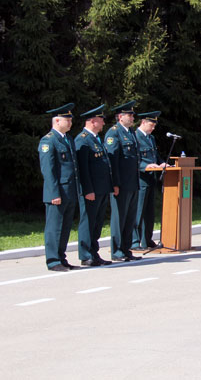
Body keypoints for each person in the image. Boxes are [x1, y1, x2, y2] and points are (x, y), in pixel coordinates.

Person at [38, 103, 81, 272]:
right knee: (54, 227)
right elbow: (48, 171)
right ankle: (53, 259)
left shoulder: (68, 139)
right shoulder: (48, 141)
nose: (70, 122)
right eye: (67, 119)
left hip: (69, 191)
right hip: (57, 192)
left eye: (70, 119)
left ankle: (61, 257)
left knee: (65, 227)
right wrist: (54, 193)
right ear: (56, 120)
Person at [75, 104, 113, 266]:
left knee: (97, 223)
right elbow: (83, 169)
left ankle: (94, 252)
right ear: (92, 121)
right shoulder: (82, 140)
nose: (104, 123)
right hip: (91, 190)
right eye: (101, 120)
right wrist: (88, 190)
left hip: (102, 189)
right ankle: (85, 254)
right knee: (88, 222)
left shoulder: (95, 139)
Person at [105, 100, 141, 262]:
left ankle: (126, 249)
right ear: (120, 117)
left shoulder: (131, 132)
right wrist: (115, 183)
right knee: (119, 218)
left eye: (132, 115)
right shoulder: (113, 133)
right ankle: (117, 250)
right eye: (129, 115)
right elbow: (113, 161)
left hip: (133, 183)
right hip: (121, 184)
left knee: (129, 218)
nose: (132, 118)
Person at [134, 111, 167, 249]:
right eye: (151, 125)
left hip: (151, 178)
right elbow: (134, 159)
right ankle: (134, 241)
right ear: (143, 122)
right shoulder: (135, 137)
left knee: (149, 212)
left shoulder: (150, 138)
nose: (153, 128)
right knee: (139, 211)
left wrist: (162, 163)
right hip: (141, 179)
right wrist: (145, 166)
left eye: (154, 125)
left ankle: (147, 239)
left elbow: (155, 156)